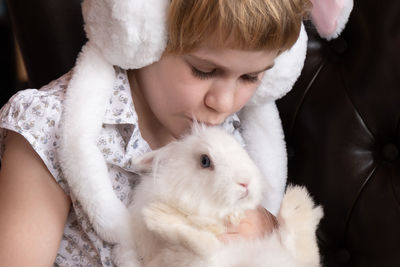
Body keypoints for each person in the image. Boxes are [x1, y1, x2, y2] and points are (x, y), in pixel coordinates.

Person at [0, 0, 310, 265]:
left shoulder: (231, 129)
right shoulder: (49, 127)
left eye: (251, 77)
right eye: (204, 70)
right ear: (144, 36)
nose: (225, 102)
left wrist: (267, 230)